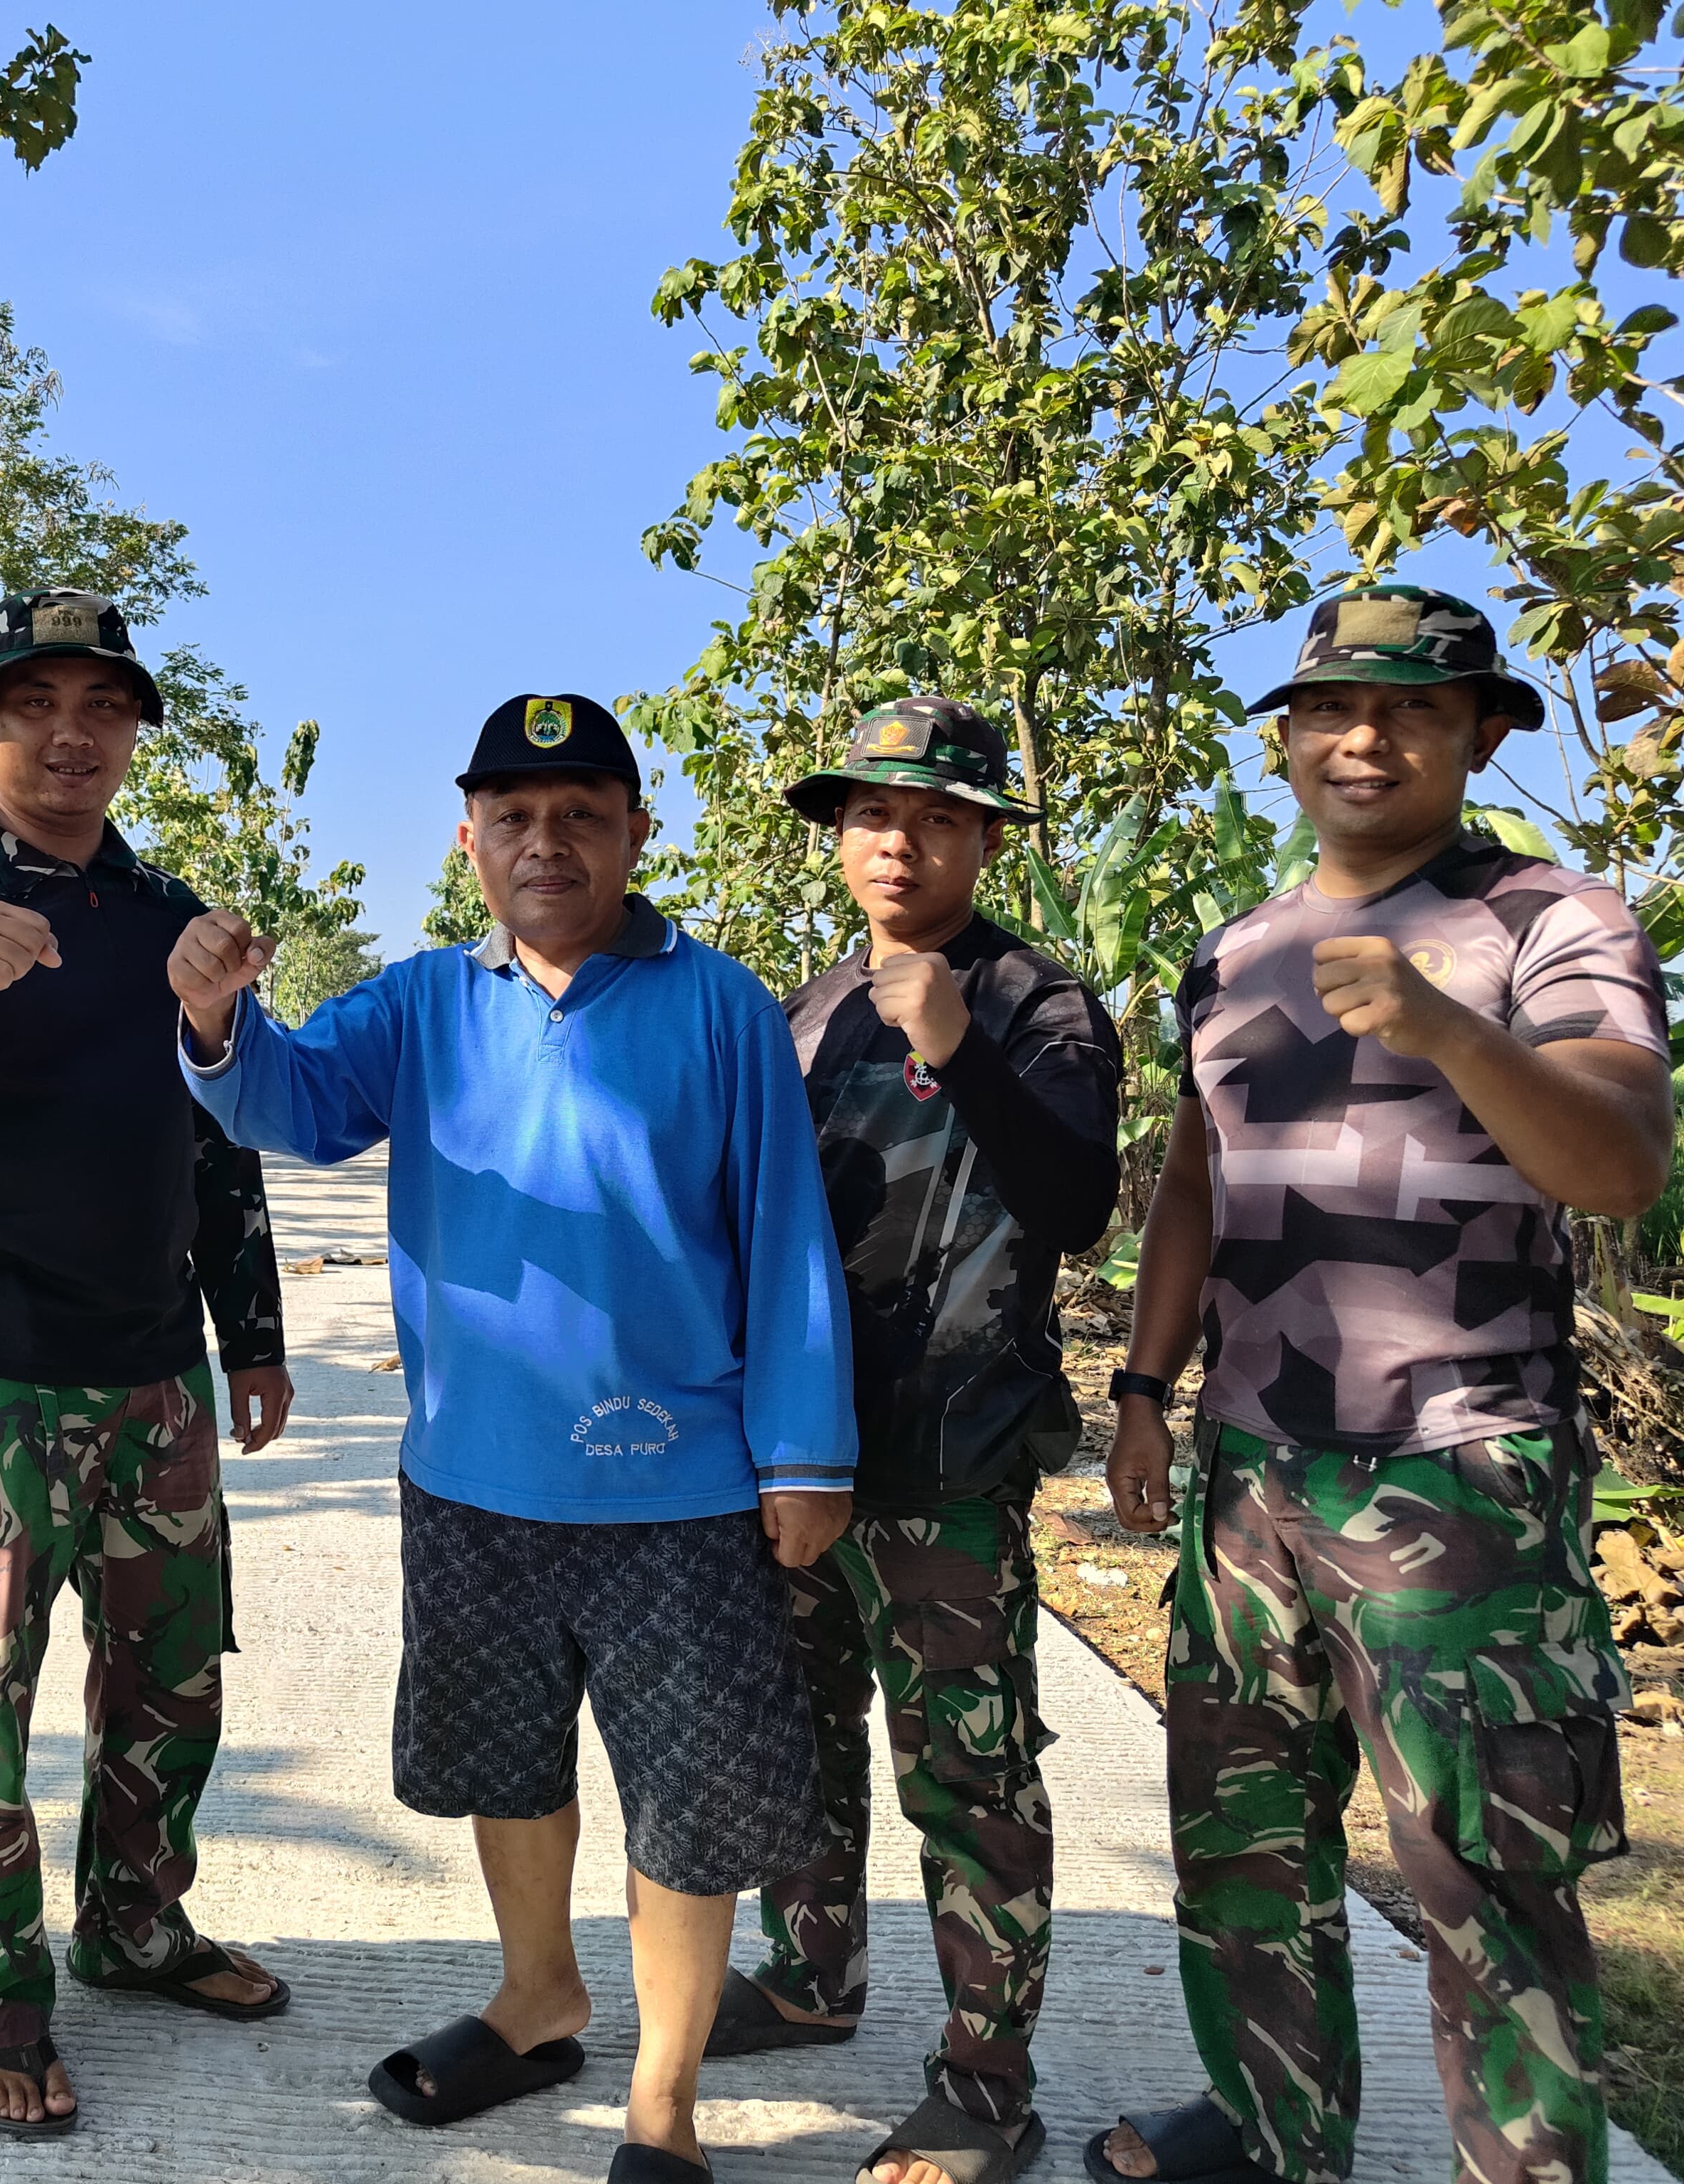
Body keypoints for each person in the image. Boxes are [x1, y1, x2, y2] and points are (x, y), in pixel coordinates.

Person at [171, 690, 856, 2184]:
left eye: (581, 815)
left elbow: (785, 1237)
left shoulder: (721, 1007)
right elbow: (287, 1104)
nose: (546, 841)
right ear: (468, 838)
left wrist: (805, 1456)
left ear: (636, 832)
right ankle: (538, 1996)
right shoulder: (419, 1004)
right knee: (505, 1761)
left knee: (686, 1803)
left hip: (677, 1490)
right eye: (514, 816)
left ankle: (663, 2102)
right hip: (472, 1479)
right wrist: (216, 1017)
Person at [1090, 587, 1673, 2184]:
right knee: (1241, 1840)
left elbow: (1618, 1165)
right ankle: (1273, 2129)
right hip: (1250, 1471)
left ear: (1478, 733)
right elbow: (1193, 1185)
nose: (1366, 738)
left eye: (1414, 707)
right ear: (1284, 740)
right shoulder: (1233, 950)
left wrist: (1447, 1029)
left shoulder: (1551, 922)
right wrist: (1143, 1389)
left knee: (1483, 1870)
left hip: (1460, 1471)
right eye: (1332, 708)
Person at [0, 587, 296, 2140]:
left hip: (154, 1368)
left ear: (135, 733)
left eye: (102, 708)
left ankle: (137, 1926)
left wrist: (251, 1334)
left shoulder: (172, 918)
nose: (70, 735)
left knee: (171, 1676)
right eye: (36, 704)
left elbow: (219, 1135)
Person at [707, 698, 1118, 2184]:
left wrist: (960, 1050)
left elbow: (1077, 1205)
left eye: (940, 817)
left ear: (985, 839)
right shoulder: (806, 1008)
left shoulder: (1036, 1005)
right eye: (874, 814)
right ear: (839, 836)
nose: (901, 842)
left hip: (947, 1458)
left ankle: (987, 2085)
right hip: (798, 1452)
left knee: (966, 1773)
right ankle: (811, 1976)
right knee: (798, 1737)